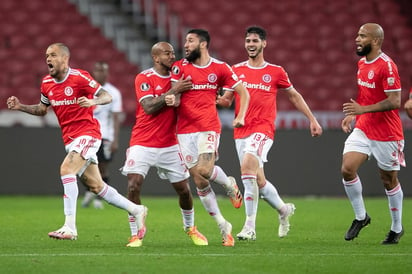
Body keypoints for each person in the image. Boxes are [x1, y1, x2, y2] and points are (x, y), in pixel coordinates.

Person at [6, 43, 147, 241]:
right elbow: (41, 109)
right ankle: (137, 209)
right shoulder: (46, 82)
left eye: (53, 55)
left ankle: (69, 227)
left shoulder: (79, 77)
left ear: (65, 59)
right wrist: (20, 106)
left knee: (66, 170)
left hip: (88, 134)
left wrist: (93, 101)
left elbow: (106, 96)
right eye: (46, 55)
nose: (48, 59)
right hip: (70, 139)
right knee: (96, 186)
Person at [217, 26, 323, 240]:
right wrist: (214, 98)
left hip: (263, 129)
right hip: (241, 131)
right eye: (248, 41)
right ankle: (284, 210)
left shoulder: (276, 71)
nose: (251, 45)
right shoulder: (236, 70)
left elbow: (294, 96)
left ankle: (249, 227)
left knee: (247, 169)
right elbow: (227, 99)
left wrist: (312, 119)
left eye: (255, 41)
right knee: (258, 180)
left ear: (264, 43)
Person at [121, 42, 208, 247]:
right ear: (156, 58)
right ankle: (136, 234)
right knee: (133, 185)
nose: (172, 56)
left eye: (173, 53)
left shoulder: (178, 77)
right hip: (142, 141)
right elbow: (149, 107)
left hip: (170, 144)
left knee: (184, 190)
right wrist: (173, 91)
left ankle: (190, 228)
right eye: (167, 53)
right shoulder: (144, 77)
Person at [170, 29, 250, 246]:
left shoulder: (220, 68)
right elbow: (174, 95)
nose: (186, 45)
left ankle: (228, 183)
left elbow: (243, 92)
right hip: (185, 131)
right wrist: (173, 97)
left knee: (205, 170)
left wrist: (240, 115)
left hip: (208, 127)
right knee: (199, 181)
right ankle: (223, 226)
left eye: (190, 41)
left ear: (203, 44)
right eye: (185, 41)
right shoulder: (179, 67)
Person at [341, 23, 405, 244]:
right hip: (364, 127)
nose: (357, 39)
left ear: (376, 41)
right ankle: (361, 217)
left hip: (387, 133)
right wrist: (356, 114)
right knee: (347, 169)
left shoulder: (387, 66)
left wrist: (362, 110)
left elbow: (395, 101)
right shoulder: (361, 63)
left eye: (362, 36)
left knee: (388, 180)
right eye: (357, 35)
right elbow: (366, 96)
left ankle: (396, 228)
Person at [82, 61, 123, 209]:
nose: (100, 73)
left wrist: (115, 140)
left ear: (107, 72)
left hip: (104, 135)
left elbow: (116, 117)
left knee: (103, 167)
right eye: (98, 70)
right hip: (86, 134)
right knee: (85, 165)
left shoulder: (114, 92)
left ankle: (98, 199)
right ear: (93, 72)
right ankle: (89, 191)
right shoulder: (86, 89)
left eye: (103, 70)